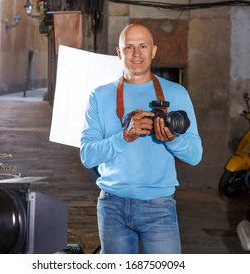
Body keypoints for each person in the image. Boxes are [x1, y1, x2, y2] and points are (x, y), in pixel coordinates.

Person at [80, 24, 203, 254]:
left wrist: (172, 140)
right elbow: (87, 156)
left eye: (143, 46)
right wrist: (125, 136)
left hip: (159, 206)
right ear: (119, 52)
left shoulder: (176, 94)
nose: (136, 54)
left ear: (153, 51)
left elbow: (195, 155)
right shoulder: (99, 95)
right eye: (129, 47)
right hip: (112, 205)